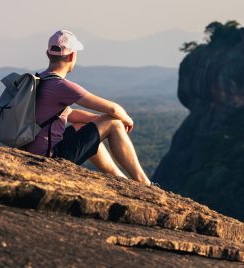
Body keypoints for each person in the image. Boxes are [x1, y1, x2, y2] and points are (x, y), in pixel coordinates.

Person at [20, 29, 151, 185]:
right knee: (114, 123)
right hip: (50, 157)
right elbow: (113, 109)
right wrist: (126, 120)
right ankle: (144, 183)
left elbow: (69, 114)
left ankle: (120, 179)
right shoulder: (61, 86)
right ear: (72, 56)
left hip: (32, 152)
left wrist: (99, 123)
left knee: (84, 126)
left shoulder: (40, 79)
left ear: (48, 54)